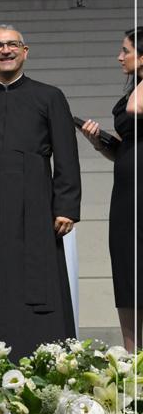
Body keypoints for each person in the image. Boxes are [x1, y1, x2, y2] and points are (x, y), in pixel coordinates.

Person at [0, 25, 81, 360]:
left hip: (34, 203)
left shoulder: (50, 96)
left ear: (25, 51)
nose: (6, 50)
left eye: (12, 44)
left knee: (34, 279)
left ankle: (39, 357)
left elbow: (66, 155)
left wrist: (66, 205)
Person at [79, 27, 142, 352]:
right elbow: (122, 149)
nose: (119, 57)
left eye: (126, 50)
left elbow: (135, 109)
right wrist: (98, 142)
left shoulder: (137, 96)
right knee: (127, 269)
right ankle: (132, 356)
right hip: (126, 195)